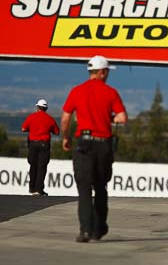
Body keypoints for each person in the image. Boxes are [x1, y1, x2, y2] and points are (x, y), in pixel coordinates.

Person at [61, 55, 128, 243]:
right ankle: (98, 229)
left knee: (83, 189)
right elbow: (122, 118)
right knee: (100, 187)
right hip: (103, 145)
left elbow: (65, 118)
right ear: (102, 72)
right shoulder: (111, 92)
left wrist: (66, 137)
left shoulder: (77, 91)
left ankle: (84, 231)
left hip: (83, 143)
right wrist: (108, 119)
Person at [21, 99, 60, 196]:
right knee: (42, 167)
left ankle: (32, 188)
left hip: (33, 144)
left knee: (33, 166)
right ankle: (39, 189)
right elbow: (57, 132)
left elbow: (23, 129)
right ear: (46, 108)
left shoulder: (31, 117)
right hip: (44, 144)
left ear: (37, 107)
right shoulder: (50, 119)